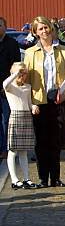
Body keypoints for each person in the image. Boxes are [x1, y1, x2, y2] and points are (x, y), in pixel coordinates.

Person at [24, 16, 65, 187]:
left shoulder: (64, 51)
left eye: (46, 27)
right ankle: (43, 178)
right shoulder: (30, 53)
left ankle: (56, 177)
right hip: (39, 102)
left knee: (56, 141)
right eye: (40, 29)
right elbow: (27, 80)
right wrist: (31, 103)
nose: (44, 31)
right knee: (41, 141)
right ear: (35, 33)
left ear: (51, 29)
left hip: (58, 100)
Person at [2, 63, 37, 189]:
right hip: (15, 118)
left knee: (24, 151)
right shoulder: (10, 87)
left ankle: (27, 178)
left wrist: (33, 107)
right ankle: (14, 179)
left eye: (24, 73)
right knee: (12, 151)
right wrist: (16, 73)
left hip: (26, 117)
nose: (23, 76)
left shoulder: (27, 87)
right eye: (21, 73)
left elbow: (28, 103)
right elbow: (4, 84)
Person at [0, 16, 22, 160]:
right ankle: (1, 147)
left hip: (7, 89)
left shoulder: (12, 44)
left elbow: (16, 67)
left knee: (9, 120)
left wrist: (8, 85)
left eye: (0, 25)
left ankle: (9, 148)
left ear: (5, 27)